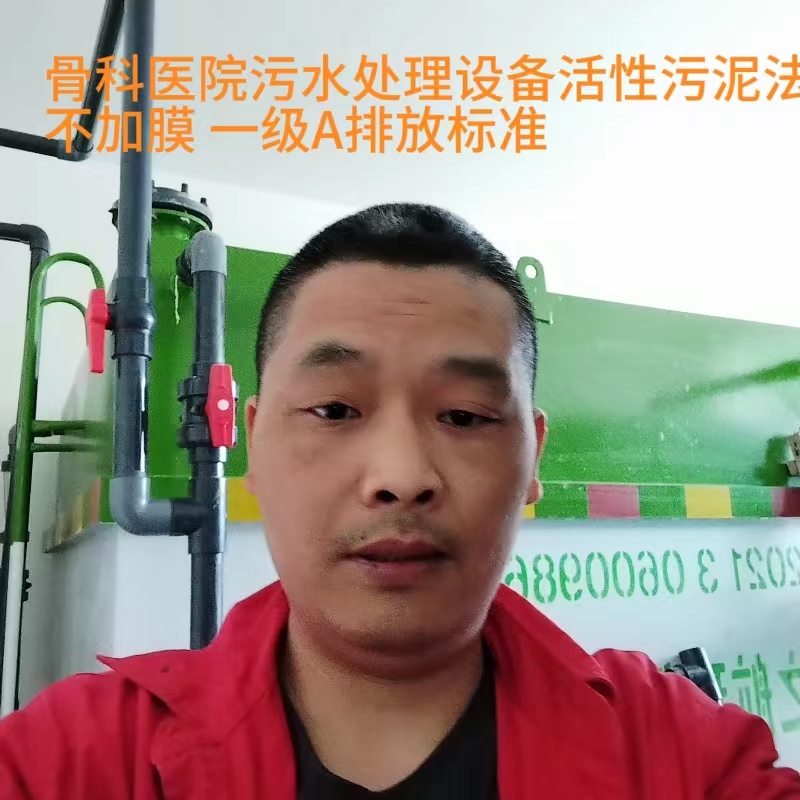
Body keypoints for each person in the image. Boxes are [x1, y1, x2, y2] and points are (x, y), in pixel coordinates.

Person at [0, 203, 797, 800]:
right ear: (254, 445)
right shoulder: (77, 759)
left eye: (465, 416)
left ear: (532, 459)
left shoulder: (681, 754)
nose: (401, 475)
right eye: (334, 409)